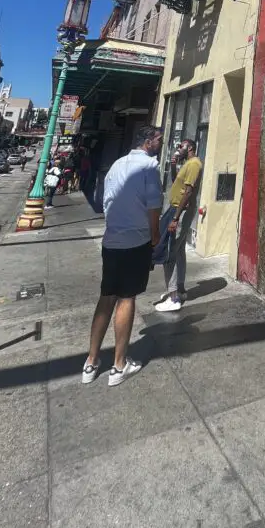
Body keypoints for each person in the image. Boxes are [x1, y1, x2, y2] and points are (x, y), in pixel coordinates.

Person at [82, 125, 163, 386]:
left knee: (107, 297)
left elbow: (106, 201)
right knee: (127, 299)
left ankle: (91, 362)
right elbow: (154, 207)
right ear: (149, 141)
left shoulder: (116, 165)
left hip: (112, 239)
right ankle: (119, 365)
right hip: (135, 240)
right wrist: (154, 236)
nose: (161, 143)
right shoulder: (149, 167)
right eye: (159, 139)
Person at [154, 138, 203, 313]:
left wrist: (175, 218)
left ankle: (173, 296)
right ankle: (180, 290)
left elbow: (188, 191)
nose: (178, 149)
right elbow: (178, 183)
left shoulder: (194, 164)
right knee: (179, 251)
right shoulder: (187, 164)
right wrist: (174, 166)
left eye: (181, 146)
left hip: (180, 212)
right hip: (176, 209)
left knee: (170, 252)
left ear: (189, 147)